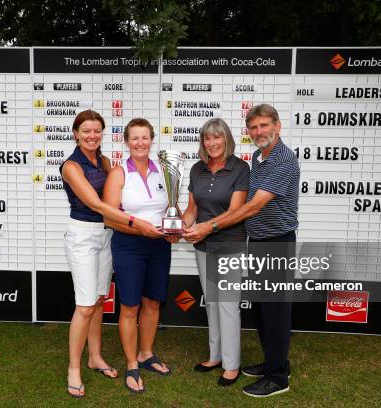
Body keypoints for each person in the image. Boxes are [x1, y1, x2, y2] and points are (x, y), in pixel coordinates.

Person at [182, 104, 299, 397]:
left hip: (278, 241)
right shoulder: (260, 158)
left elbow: (254, 206)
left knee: (275, 310)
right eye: (254, 127)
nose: (259, 132)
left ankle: (278, 377)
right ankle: (272, 362)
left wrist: (208, 227)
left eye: (264, 126)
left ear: (277, 126)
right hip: (258, 240)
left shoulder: (282, 159)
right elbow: (194, 207)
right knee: (262, 309)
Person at [60, 110, 163, 398]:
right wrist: (137, 222)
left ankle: (95, 357)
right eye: (86, 131)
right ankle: (74, 369)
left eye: (97, 131)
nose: (92, 136)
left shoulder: (104, 161)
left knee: (98, 299)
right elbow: (97, 205)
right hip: (83, 235)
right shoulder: (71, 166)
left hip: (106, 236)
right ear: (76, 134)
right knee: (84, 305)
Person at [103, 118, 176, 394]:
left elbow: (173, 207)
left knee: (153, 303)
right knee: (130, 307)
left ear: (152, 140)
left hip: (159, 246)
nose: (140, 143)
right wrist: (139, 227)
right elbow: (110, 217)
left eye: (145, 138)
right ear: (126, 141)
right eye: (135, 138)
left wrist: (174, 228)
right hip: (129, 246)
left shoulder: (163, 171)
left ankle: (146, 354)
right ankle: (132, 364)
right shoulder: (119, 173)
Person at [181, 118, 250, 386]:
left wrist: (205, 228)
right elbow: (192, 208)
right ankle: (216, 355)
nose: (212, 143)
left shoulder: (240, 168)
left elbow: (235, 212)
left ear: (226, 139)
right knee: (211, 301)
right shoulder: (197, 169)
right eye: (207, 138)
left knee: (228, 304)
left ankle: (232, 364)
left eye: (217, 137)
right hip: (202, 245)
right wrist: (183, 222)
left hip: (228, 243)